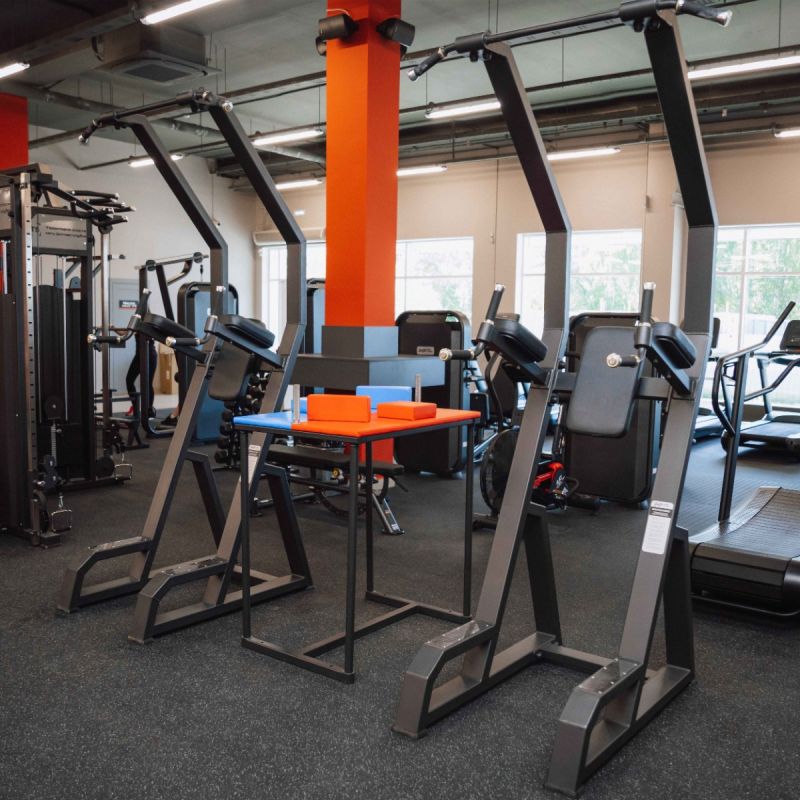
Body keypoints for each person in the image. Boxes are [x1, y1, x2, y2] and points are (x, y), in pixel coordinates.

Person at [125, 337, 158, 419]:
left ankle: (150, 410)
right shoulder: (136, 327)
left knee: (147, 383)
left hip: (150, 354)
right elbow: (124, 333)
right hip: (139, 356)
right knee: (129, 380)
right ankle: (135, 407)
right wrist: (112, 329)